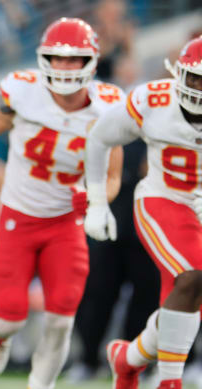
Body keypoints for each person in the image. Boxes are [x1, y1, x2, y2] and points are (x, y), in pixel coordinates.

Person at [0, 17, 125, 389]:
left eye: (75, 59)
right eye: (57, 57)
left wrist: (94, 199)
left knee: (61, 318)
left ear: (91, 61)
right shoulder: (23, 92)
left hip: (65, 222)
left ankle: (41, 384)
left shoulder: (108, 107)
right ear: (44, 58)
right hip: (18, 215)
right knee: (9, 317)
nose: (65, 66)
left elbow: (112, 178)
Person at [85, 36, 202, 389]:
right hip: (162, 200)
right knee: (193, 277)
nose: (196, 86)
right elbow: (100, 137)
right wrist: (98, 202)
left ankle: (129, 359)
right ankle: (170, 382)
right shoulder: (154, 100)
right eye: (193, 77)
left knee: (182, 297)